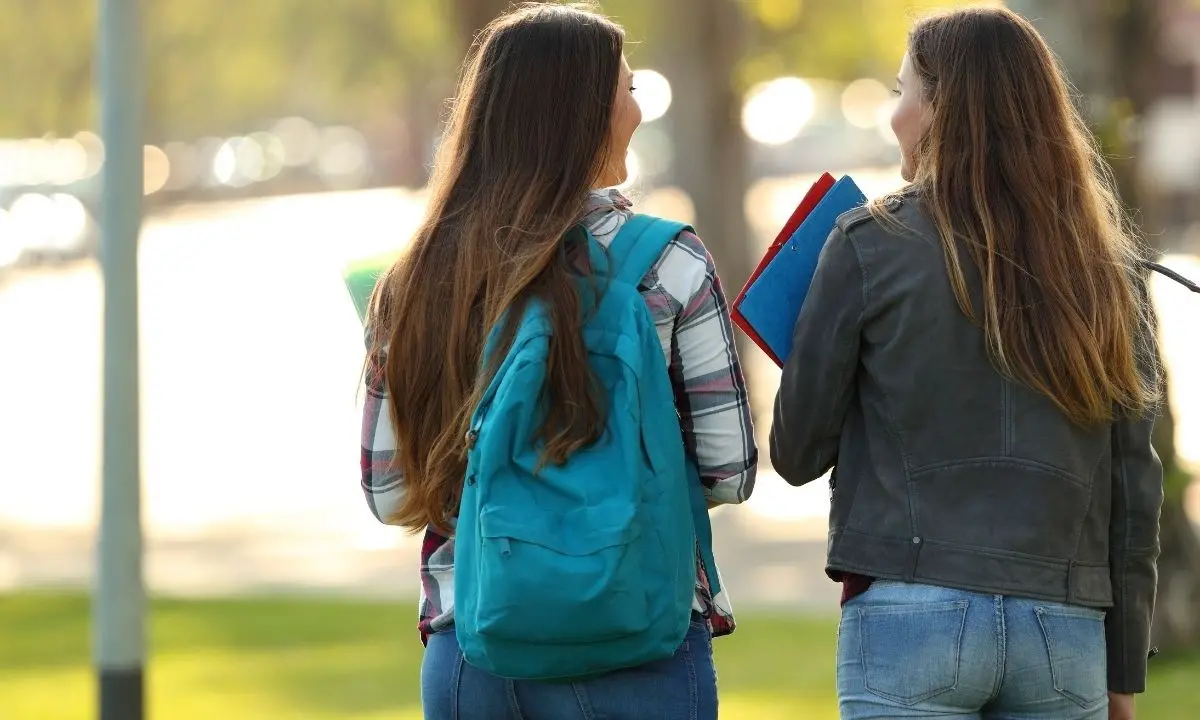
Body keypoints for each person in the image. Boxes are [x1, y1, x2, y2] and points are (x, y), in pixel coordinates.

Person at [358, 5, 756, 719]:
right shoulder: (667, 262)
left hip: (475, 652)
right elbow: (729, 471)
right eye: (629, 91)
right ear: (589, 115)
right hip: (637, 642)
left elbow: (389, 494)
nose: (638, 110)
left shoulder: (415, 282)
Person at [770, 7, 1162, 720]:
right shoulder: (1110, 269)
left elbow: (796, 455)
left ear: (939, 107)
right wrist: (1123, 669)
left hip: (907, 615)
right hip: (1064, 629)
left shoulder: (865, 243)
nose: (894, 116)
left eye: (900, 92)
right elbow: (1134, 490)